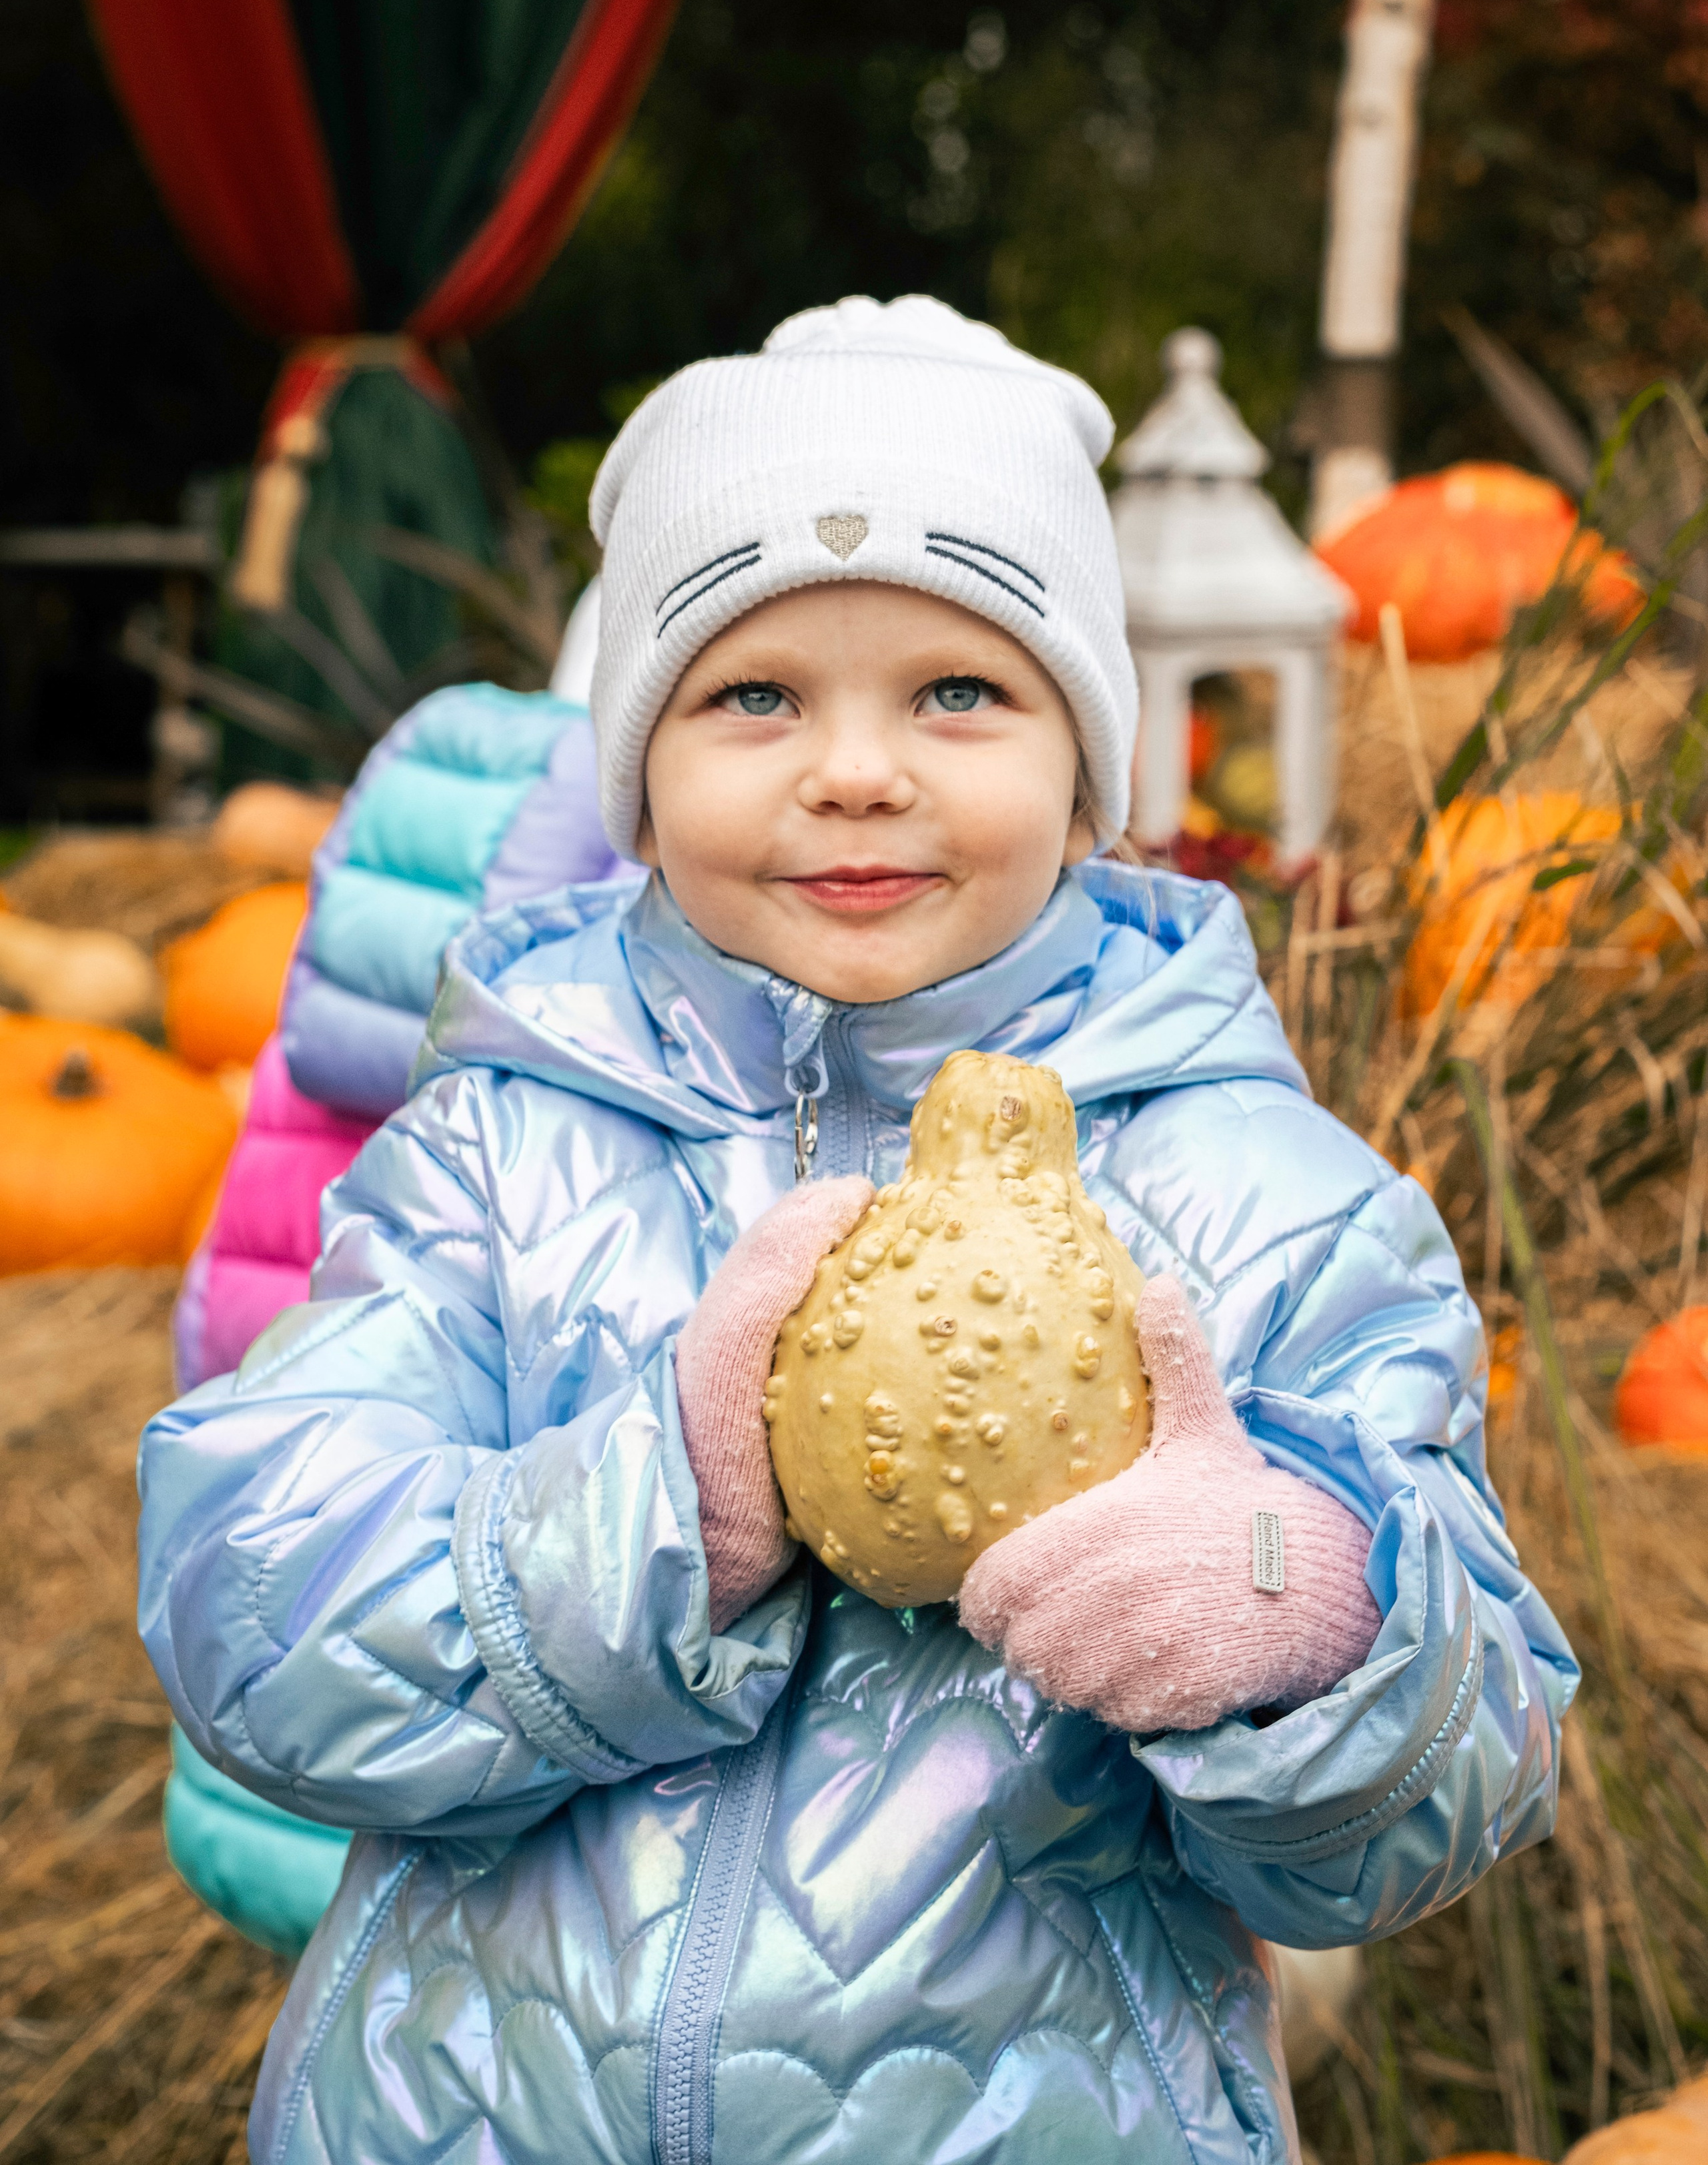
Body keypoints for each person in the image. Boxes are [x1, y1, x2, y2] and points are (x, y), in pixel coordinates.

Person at [139, 296, 1573, 2165]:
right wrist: (663, 1508)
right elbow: (249, 1604)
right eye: (754, 695)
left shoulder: (1257, 1192)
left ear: (1092, 770)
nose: (856, 769)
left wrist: (1304, 1616)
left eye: (958, 690)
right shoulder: (499, 1147)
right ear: (637, 782)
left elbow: (1463, 1781)